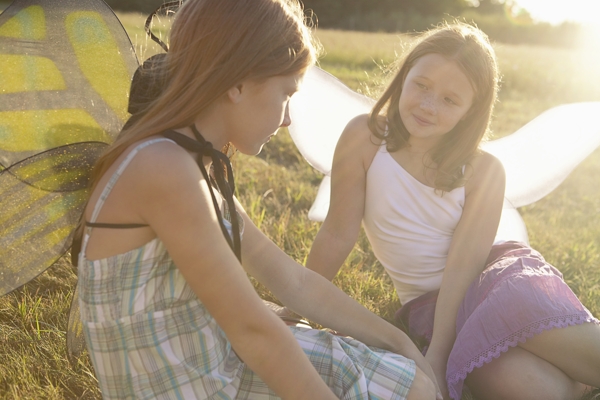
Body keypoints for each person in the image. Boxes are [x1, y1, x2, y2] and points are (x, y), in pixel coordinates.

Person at [75, 0, 443, 398]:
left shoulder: (191, 160)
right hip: (192, 386)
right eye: (286, 93)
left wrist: (398, 342)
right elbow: (253, 331)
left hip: (212, 357)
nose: (287, 119)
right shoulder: (163, 168)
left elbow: (294, 281)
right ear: (237, 84)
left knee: (408, 380)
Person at [303, 22, 600, 400]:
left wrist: (440, 353)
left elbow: (464, 266)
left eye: (450, 100)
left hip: (494, 281)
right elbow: (337, 232)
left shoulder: (484, 171)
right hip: (426, 305)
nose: (428, 106)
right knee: (539, 390)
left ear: (470, 112)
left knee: (580, 351)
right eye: (422, 85)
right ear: (404, 75)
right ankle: (579, 379)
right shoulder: (364, 137)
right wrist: (299, 302)